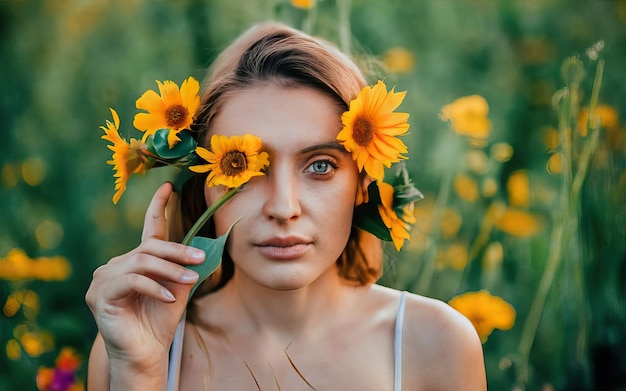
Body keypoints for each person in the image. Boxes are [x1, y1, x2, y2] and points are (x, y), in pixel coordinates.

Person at [85, 22, 486, 390]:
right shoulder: (136, 345)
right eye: (242, 167)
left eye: (320, 166)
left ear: (363, 184)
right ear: (204, 185)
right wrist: (139, 374)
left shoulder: (435, 344)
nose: (283, 207)